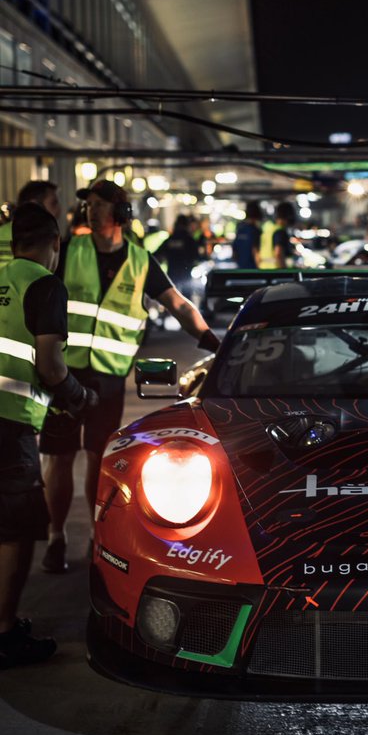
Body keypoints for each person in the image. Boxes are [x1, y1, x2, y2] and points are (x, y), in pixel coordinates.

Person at [38, 179, 221, 573]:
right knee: (58, 457)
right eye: (88, 205)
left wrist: (211, 340)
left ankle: (92, 537)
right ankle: (56, 537)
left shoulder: (140, 261)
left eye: (100, 205)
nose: (91, 211)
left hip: (107, 377)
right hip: (65, 372)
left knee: (96, 458)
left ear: (120, 213)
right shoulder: (70, 250)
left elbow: (178, 304)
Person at [0, 204, 98, 666]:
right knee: (15, 528)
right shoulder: (43, 284)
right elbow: (50, 365)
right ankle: (4, 633)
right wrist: (78, 397)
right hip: (9, 421)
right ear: (55, 243)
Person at [0, 179, 60, 262]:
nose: (58, 211)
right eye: (53, 203)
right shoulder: (41, 237)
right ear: (33, 205)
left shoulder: (2, 232)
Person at [154, 214, 205, 298]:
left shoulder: (170, 239)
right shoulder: (189, 239)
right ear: (186, 225)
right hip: (186, 275)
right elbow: (197, 257)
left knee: (171, 299)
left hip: (172, 275)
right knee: (186, 299)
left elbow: (158, 255)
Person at [232, 200, 263, 269]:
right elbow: (256, 251)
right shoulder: (255, 230)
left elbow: (234, 252)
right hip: (253, 268)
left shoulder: (239, 228)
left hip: (240, 267)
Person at [272, 201, 296, 269]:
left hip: (265, 271)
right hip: (277, 272)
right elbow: (278, 254)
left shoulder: (268, 228)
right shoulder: (280, 231)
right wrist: (285, 272)